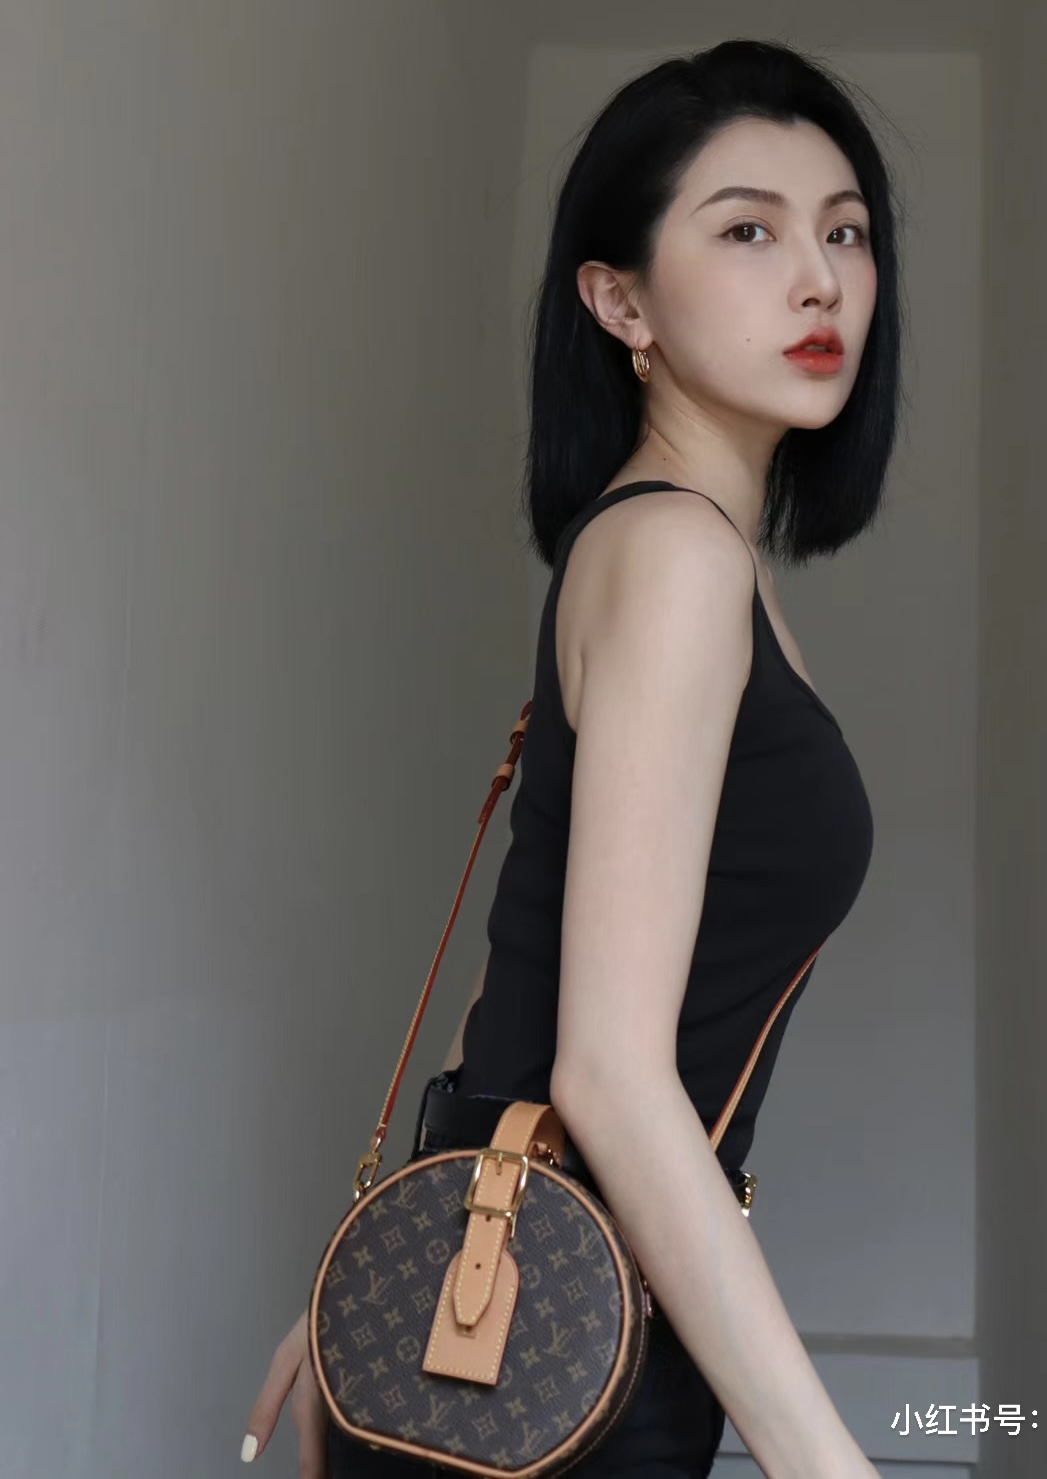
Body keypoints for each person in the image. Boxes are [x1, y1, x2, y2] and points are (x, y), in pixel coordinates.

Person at [242, 35, 903, 1479]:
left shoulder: (687, 552)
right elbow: (603, 1071)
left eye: (845, 232)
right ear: (620, 301)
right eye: (748, 231)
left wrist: (379, 1269)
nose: (820, 280)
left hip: (536, 1324)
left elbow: (525, 961)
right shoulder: (672, 557)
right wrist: (829, 1463)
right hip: (559, 1353)